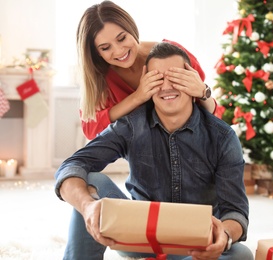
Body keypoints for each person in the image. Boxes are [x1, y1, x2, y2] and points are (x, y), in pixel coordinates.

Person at [54, 42, 253, 260]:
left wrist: (224, 234)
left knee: (240, 255)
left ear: (191, 79)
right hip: (140, 237)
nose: (167, 87)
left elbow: (235, 211)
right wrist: (87, 206)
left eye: (175, 77)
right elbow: (71, 166)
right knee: (92, 181)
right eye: (157, 79)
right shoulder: (130, 126)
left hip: (196, 244)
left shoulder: (222, 137)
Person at [77, 0, 216, 140]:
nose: (119, 51)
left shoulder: (173, 55)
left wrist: (203, 92)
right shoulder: (101, 78)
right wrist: (137, 97)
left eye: (122, 38)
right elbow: (90, 129)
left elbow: (213, 115)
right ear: (97, 53)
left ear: (131, 29)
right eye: (105, 48)